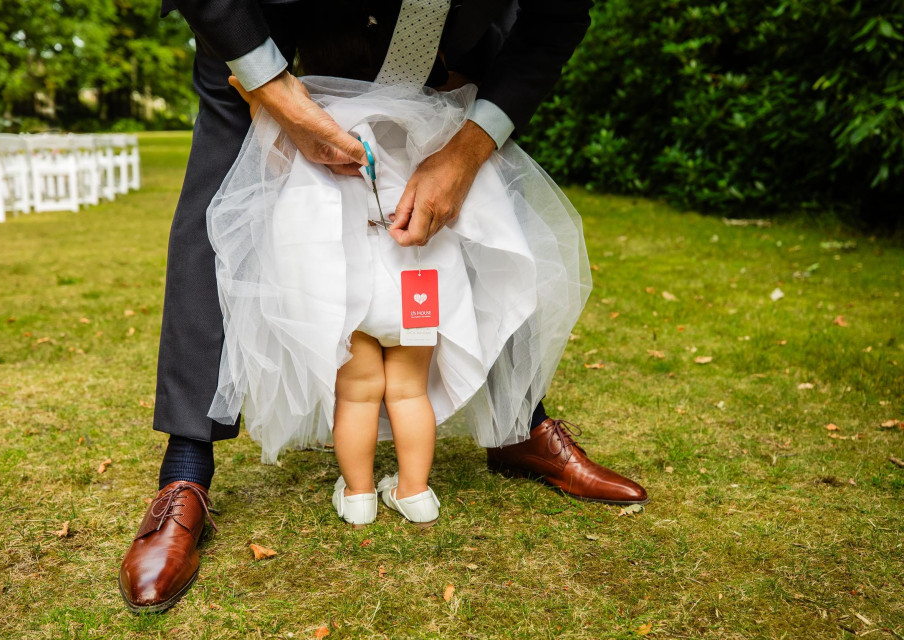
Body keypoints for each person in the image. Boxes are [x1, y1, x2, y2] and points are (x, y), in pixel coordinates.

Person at [119, 0, 648, 614]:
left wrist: (467, 151)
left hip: (443, 44)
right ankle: (185, 469)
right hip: (270, 33)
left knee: (477, 215)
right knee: (215, 212)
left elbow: (557, 17)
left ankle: (517, 425)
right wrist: (275, 93)